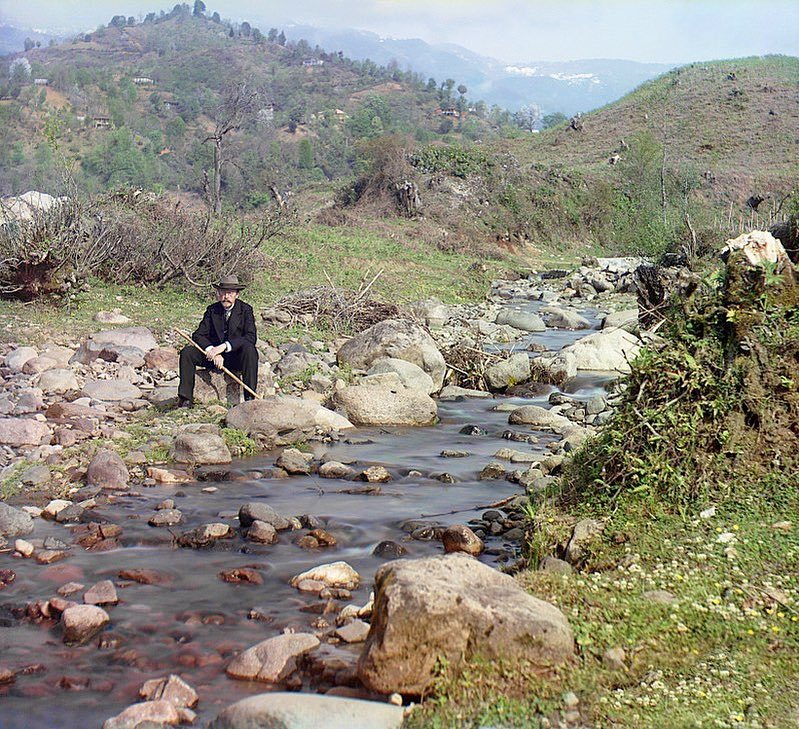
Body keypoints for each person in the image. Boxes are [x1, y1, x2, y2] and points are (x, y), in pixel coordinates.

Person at [177, 274, 258, 407]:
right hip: (213, 358)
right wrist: (212, 351)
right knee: (187, 352)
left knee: (250, 350)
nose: (226, 297)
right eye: (223, 293)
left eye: (230, 293)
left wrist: (224, 347)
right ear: (218, 293)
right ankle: (185, 399)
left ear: (237, 294)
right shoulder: (212, 310)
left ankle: (249, 399)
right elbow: (198, 335)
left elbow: (250, 337)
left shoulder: (246, 310)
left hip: (236, 358)